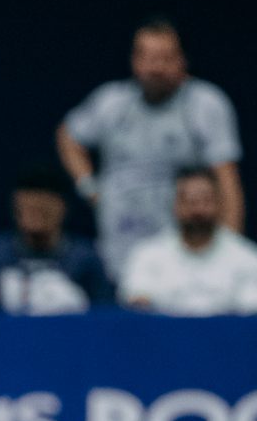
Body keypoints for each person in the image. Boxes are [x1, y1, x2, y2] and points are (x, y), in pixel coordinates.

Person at [56, 18, 245, 282]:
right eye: (147, 57)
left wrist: (229, 251)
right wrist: (90, 188)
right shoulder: (112, 102)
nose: (156, 67)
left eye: (165, 58)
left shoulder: (204, 104)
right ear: (134, 60)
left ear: (182, 60)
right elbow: (68, 136)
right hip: (120, 248)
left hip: (182, 256)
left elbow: (227, 181)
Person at [119, 166, 257, 315]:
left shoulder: (250, 259)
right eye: (189, 201)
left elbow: (255, 321)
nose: (197, 210)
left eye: (206, 200)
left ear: (220, 204)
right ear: (174, 204)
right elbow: (137, 314)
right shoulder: (146, 257)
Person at [0, 167, 114, 314]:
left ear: (62, 208)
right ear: (16, 210)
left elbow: (105, 316)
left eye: (42, 210)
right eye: (28, 209)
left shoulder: (85, 258)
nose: (34, 218)